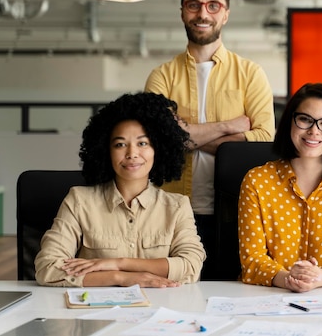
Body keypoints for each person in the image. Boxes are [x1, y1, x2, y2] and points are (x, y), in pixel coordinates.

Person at [144, 0, 275, 279]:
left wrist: (183, 135)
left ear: (225, 14)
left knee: (233, 296)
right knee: (175, 297)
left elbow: (263, 139)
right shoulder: (161, 76)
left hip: (236, 212)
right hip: (171, 212)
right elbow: (157, 139)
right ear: (182, 12)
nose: (203, 13)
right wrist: (231, 126)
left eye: (213, 5)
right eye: (194, 5)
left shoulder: (250, 74)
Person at [35, 92, 206, 287]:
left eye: (142, 143)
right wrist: (120, 277)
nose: (132, 153)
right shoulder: (79, 201)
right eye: (120, 144)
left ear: (157, 150)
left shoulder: (176, 206)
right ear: (106, 151)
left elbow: (191, 266)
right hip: (94, 312)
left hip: (157, 311)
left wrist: (118, 263)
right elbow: (47, 268)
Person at [238, 83, 322, 292]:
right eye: (305, 119)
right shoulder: (257, 182)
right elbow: (252, 259)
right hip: (268, 298)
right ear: (289, 122)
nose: (314, 131)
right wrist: (288, 279)